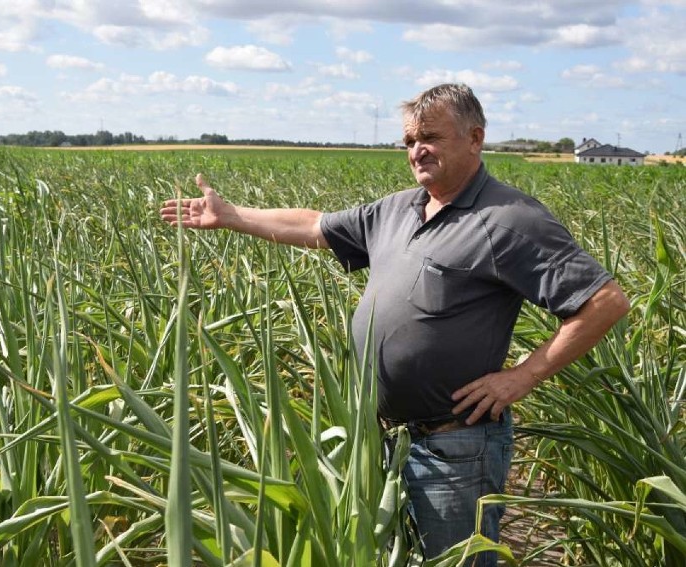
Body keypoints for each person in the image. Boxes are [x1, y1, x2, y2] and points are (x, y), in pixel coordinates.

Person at [159, 83, 630, 563]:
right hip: (383, 440)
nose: (417, 150)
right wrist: (233, 215)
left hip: (456, 447)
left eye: (430, 137)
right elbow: (315, 226)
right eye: (408, 141)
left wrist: (521, 377)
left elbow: (606, 301)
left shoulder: (510, 220)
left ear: (475, 138)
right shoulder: (397, 209)